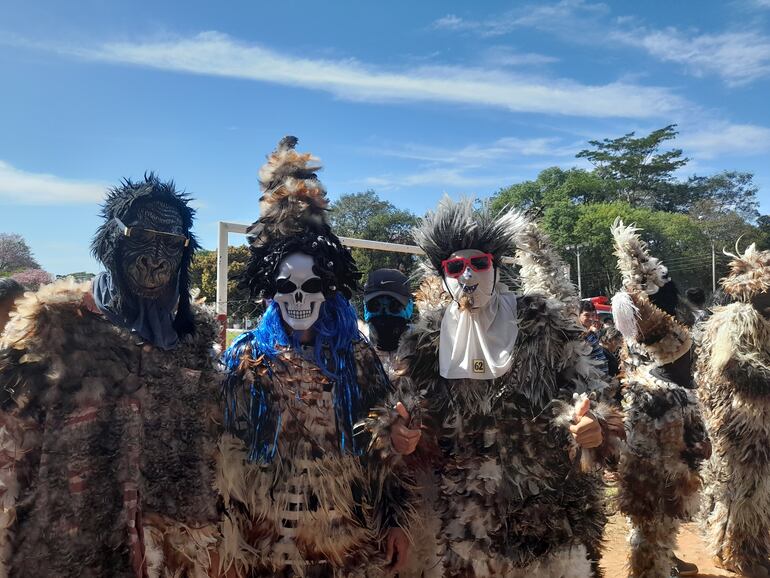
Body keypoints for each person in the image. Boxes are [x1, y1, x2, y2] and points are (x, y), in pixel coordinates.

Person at [0, 174, 221, 576]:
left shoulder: (193, 337)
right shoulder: (53, 325)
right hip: (73, 550)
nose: (156, 257)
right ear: (114, 240)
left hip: (170, 552)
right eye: (142, 236)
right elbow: (10, 453)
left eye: (171, 243)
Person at [390, 197, 621, 577]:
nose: (468, 276)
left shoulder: (540, 323)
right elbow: (411, 410)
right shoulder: (426, 342)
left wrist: (591, 424)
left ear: (495, 268)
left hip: (546, 513)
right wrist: (402, 434)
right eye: (456, 267)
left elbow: (587, 388)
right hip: (466, 519)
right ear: (443, 275)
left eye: (479, 263)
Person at [217, 137, 415, 577]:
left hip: (346, 542)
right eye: (287, 287)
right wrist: (228, 538)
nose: (300, 298)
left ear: (328, 288)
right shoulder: (249, 357)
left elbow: (379, 452)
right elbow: (227, 451)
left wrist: (394, 521)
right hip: (267, 545)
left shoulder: (355, 355)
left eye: (311, 287)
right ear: (272, 292)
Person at [611, 219, 709, 578]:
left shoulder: (642, 335)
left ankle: (661, 559)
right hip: (657, 425)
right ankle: (655, 565)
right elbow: (678, 383)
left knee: (652, 506)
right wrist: (696, 435)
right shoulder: (668, 334)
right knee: (657, 502)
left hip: (645, 424)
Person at [697, 243, 770, 577]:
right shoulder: (737, 318)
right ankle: (741, 552)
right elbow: (733, 367)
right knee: (744, 491)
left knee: (749, 491)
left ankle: (743, 547)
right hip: (741, 423)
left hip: (752, 421)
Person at [361, 268, 413, 378]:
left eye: (394, 306)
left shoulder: (425, 350)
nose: (384, 313)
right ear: (365, 308)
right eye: (374, 306)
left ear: (409, 307)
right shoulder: (352, 348)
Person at [579, 300, 610, 375]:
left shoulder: (592, 333)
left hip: (602, 379)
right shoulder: (577, 334)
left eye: (592, 315)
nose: (591, 318)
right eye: (586, 315)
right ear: (578, 315)